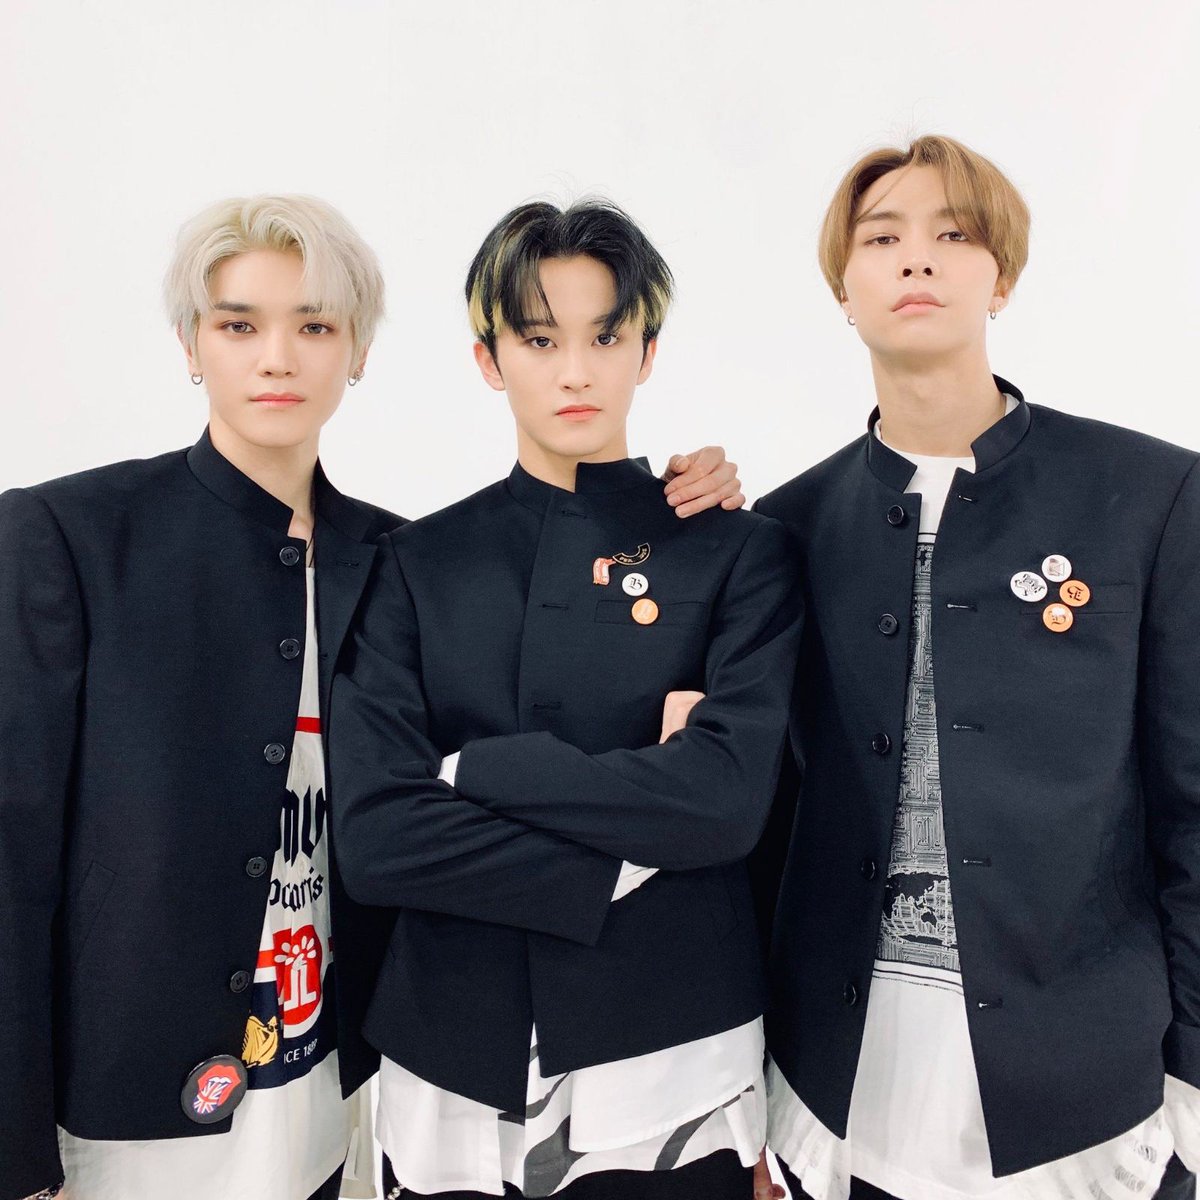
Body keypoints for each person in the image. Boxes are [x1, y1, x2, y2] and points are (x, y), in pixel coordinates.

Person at [0, 194, 738, 1200]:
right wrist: (15, 1155)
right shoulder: (71, 537)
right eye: (239, 325)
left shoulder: (396, 557)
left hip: (336, 1101)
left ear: (356, 352)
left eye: (314, 327)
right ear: (190, 345)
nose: (277, 359)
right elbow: (13, 860)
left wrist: (675, 513)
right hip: (126, 1117)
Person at [753, 135, 1200, 1200]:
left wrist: (1191, 1082)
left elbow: (1193, 807)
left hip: (1089, 1097)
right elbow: (770, 825)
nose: (917, 258)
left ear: (1000, 277)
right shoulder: (786, 525)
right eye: (882, 239)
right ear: (843, 291)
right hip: (841, 1085)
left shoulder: (1149, 496)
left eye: (953, 234)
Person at [329, 198, 802, 1199]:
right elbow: (376, 841)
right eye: (541, 341)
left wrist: (476, 772)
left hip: (672, 1053)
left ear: (648, 351)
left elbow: (724, 804)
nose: (576, 372)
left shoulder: (739, 553)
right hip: (451, 1050)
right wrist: (639, 837)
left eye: (606, 337)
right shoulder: (416, 565)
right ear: (490, 360)